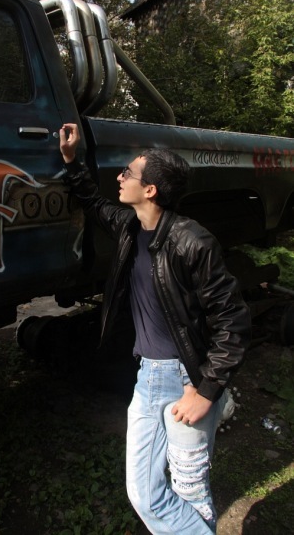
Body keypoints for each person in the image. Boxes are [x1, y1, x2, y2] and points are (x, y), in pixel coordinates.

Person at [59, 123, 251, 535]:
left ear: (150, 190)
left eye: (127, 172)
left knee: (190, 490)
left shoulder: (193, 242)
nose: (119, 177)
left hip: (187, 379)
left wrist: (206, 390)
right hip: (149, 376)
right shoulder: (131, 229)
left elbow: (232, 320)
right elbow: (93, 202)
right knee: (144, 492)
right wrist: (72, 160)